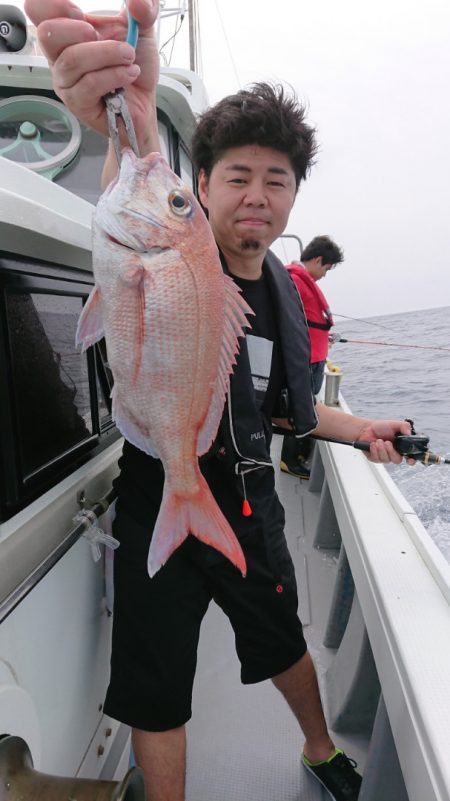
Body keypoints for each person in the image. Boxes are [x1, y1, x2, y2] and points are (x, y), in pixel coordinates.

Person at [24, 3, 414, 800]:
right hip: (154, 490)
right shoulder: (168, 248)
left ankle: (316, 746)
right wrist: (124, 119)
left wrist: (364, 425)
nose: (257, 196)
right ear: (200, 185)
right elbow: (129, 196)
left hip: (245, 500)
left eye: (277, 179)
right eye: (237, 175)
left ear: (295, 196)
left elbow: (290, 415)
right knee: (154, 678)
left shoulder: (283, 293)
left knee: (282, 642)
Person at [280, 235, 344, 478]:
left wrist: (321, 338)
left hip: (314, 358)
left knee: (307, 407)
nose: (325, 274)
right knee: (300, 410)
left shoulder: (302, 281)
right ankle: (290, 460)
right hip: (305, 362)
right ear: (318, 260)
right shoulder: (295, 281)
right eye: (326, 268)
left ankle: (299, 454)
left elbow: (306, 323)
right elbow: (288, 323)